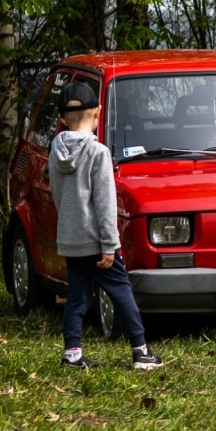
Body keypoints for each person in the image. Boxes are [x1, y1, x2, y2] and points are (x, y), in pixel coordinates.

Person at [49, 82, 163, 371]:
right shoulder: (98, 153)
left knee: (77, 295)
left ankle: (72, 352)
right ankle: (141, 351)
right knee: (121, 290)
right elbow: (104, 204)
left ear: (62, 119)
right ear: (98, 112)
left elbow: (57, 195)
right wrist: (110, 243)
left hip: (71, 238)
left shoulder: (55, 151)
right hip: (97, 240)